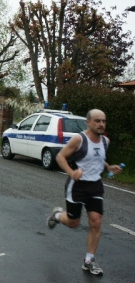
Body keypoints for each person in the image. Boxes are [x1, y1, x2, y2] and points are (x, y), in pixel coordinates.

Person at [46, 109, 123, 276]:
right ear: (88, 122)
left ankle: (89, 260)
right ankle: (58, 215)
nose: (101, 124)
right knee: (74, 223)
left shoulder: (105, 141)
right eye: (97, 121)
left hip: (95, 186)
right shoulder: (79, 139)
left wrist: (108, 167)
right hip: (77, 186)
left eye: (103, 121)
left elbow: (98, 158)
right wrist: (71, 173)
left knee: (96, 221)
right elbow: (60, 157)